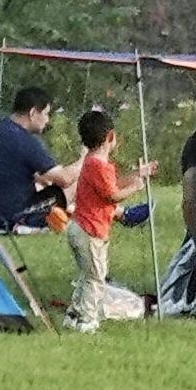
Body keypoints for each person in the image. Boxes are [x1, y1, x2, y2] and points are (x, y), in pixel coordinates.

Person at [61, 104, 147, 319]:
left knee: (87, 275)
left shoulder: (91, 163)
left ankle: (76, 311)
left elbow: (110, 185)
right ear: (111, 136)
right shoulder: (100, 166)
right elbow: (112, 195)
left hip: (79, 227)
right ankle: (87, 318)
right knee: (96, 278)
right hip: (90, 232)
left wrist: (137, 173)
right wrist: (135, 187)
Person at [0, 83, 63, 233]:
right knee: (66, 189)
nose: (47, 120)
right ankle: (26, 224)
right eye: (46, 113)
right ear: (33, 112)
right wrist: (87, 156)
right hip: (10, 214)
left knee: (42, 185)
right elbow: (64, 178)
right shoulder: (22, 140)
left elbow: (39, 176)